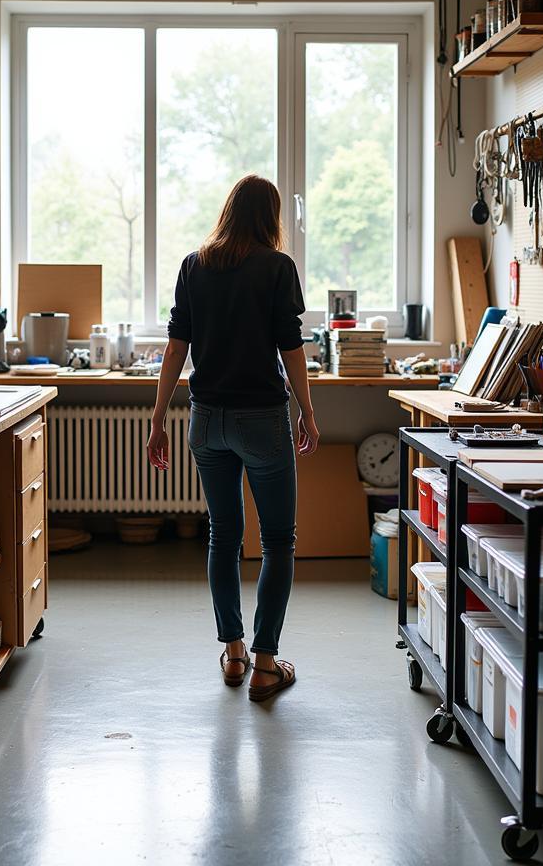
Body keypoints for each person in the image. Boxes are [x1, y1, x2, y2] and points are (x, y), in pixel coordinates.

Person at [147, 174, 319, 702]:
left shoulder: (195, 265)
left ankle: (235, 652)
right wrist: (307, 412)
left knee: (223, 537)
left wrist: (157, 419)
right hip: (262, 419)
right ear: (269, 218)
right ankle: (266, 664)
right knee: (277, 543)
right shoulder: (276, 267)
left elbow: (176, 347)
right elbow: (291, 348)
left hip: (206, 420)